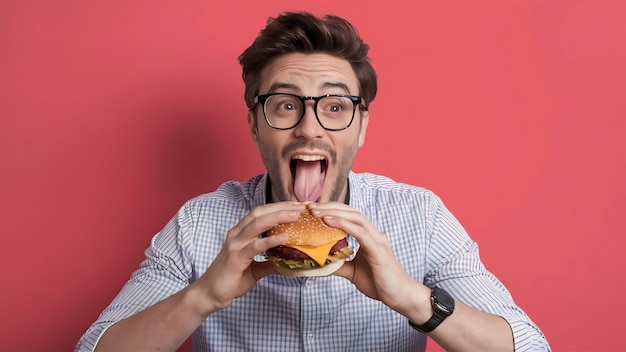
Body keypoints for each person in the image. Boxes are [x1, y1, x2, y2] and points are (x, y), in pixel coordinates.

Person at [76, 11, 550, 352]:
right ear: (254, 125)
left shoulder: (418, 217)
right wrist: (203, 297)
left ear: (361, 127)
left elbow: (530, 347)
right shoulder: (202, 223)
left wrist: (411, 298)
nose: (309, 128)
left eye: (335, 107)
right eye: (285, 106)